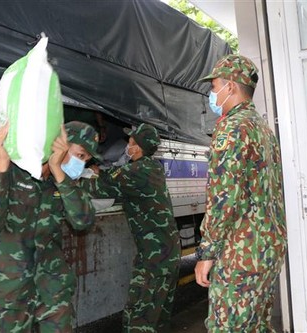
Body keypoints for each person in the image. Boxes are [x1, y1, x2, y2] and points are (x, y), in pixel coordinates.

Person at [0, 121, 100, 332]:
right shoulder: (14, 165)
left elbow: (83, 221)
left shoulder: (65, 180)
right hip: (11, 285)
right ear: (60, 144)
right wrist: (2, 166)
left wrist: (58, 171)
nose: (82, 164)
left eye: (86, 160)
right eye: (80, 155)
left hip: (52, 284)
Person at [194, 54, 287, 332]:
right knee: (256, 325)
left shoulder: (231, 127)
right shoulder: (262, 128)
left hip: (241, 253)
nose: (212, 94)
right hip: (267, 249)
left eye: (214, 87)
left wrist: (207, 252)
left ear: (231, 87)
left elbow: (223, 196)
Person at [81, 123, 180, 332]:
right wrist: (103, 173)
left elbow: (98, 188)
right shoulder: (151, 167)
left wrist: (61, 177)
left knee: (138, 318)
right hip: (166, 254)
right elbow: (117, 177)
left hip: (154, 259)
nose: (128, 146)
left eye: (131, 142)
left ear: (139, 147)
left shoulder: (136, 171)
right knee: (158, 319)